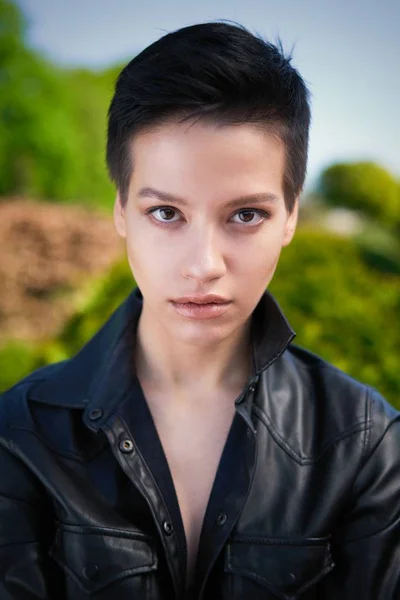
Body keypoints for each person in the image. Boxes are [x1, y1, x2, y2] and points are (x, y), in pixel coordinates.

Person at [0, 21, 399, 600]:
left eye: (245, 215)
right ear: (120, 212)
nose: (203, 264)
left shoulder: (366, 446)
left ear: (291, 216)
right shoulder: (19, 433)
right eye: (166, 213)